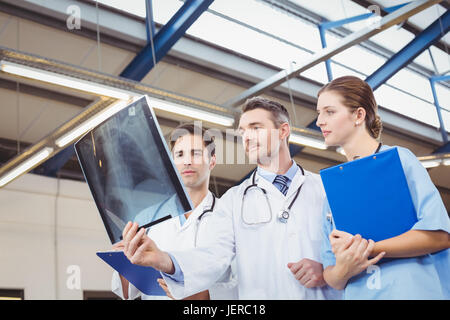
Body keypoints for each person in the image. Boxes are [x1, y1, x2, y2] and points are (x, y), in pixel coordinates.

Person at [121, 97, 342, 300]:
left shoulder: (327, 188)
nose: (247, 137)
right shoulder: (234, 201)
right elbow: (212, 257)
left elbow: (357, 250)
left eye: (256, 128)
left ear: (283, 131)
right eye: (243, 131)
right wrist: (165, 261)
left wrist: (327, 271)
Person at [315, 75, 450, 299]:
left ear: (359, 115)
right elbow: (332, 276)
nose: (319, 120)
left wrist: (365, 250)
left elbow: (440, 236)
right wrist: (343, 269)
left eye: (329, 111)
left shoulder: (398, 160)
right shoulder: (333, 187)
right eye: (319, 112)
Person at [111, 123, 238, 300]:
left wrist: (202, 296)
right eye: (180, 154)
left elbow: (244, 281)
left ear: (212, 160)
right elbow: (129, 291)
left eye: (196, 153)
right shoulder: (147, 219)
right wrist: (124, 260)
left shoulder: (229, 215)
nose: (187, 161)